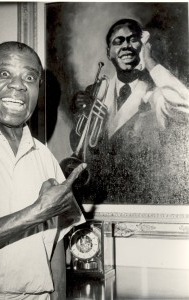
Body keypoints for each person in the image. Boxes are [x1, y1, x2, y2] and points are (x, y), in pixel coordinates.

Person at [0, 41, 86, 300]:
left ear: (37, 89)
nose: (18, 85)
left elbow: (56, 246)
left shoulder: (45, 158)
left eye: (30, 77)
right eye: (4, 74)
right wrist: (36, 213)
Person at [70, 18, 189, 204]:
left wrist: (150, 62)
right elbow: (78, 145)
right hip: (99, 200)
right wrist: (82, 115)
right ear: (109, 53)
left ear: (142, 47)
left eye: (133, 40)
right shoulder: (96, 91)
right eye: (118, 41)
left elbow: (185, 105)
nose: (125, 45)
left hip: (143, 199)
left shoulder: (157, 92)